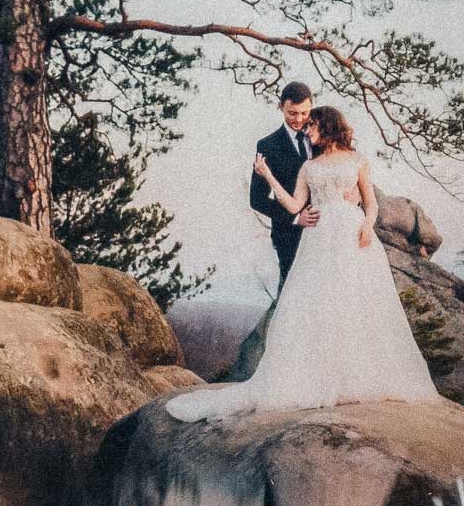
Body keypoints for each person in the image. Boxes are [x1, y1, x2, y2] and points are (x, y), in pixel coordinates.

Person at [168, 103, 438, 421]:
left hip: (353, 236)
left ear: (327, 125)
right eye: (305, 126)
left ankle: (356, 376)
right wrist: (266, 175)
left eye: (311, 125)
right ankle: (321, 377)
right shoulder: (309, 167)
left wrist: (367, 223)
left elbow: (372, 202)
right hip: (320, 238)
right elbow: (295, 203)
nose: (306, 130)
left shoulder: (357, 160)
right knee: (315, 303)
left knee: (357, 302)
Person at [253, 81, 322, 283]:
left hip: (326, 229)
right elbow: (256, 198)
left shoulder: (322, 138)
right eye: (292, 113)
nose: (299, 119)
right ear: (281, 106)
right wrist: (295, 218)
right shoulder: (267, 145)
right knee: (293, 293)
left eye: (304, 113)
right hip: (289, 235)